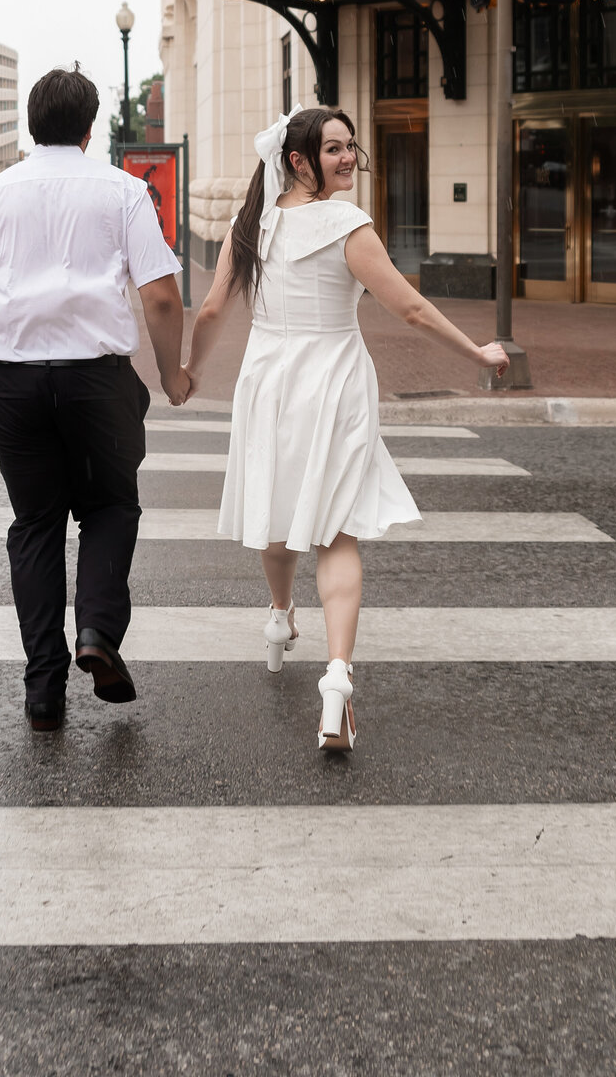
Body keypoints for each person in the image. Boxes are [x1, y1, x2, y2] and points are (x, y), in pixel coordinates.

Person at [185, 106, 508, 754]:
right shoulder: (347, 227)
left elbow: (215, 307)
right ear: (299, 159)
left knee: (280, 515)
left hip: (269, 378)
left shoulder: (252, 224)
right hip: (333, 381)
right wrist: (477, 354)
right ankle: (337, 679)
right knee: (335, 531)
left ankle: (279, 619)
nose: (348, 158)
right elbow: (411, 309)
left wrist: (187, 373)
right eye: (333, 148)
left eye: (351, 147)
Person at [0, 66, 191, 734]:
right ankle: (99, 633)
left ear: (28, 123)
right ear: (90, 127)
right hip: (98, 379)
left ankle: (43, 689)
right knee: (109, 507)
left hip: (15, 382)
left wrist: (1, 336)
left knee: (36, 525)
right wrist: (171, 376)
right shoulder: (123, 191)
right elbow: (161, 296)